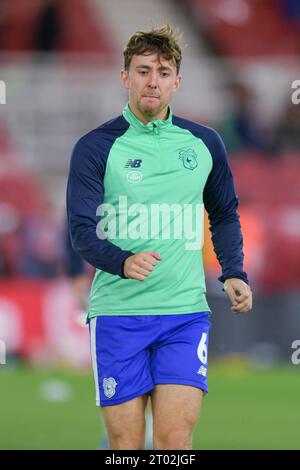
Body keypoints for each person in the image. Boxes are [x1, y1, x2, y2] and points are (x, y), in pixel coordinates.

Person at [67, 24, 252, 450]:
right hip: (118, 317)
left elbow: (224, 214)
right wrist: (121, 260)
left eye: (163, 72)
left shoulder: (205, 143)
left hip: (184, 315)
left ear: (177, 82)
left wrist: (233, 271)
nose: (153, 81)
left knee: (175, 443)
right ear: (125, 77)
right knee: (126, 446)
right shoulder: (95, 147)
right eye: (144, 70)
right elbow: (81, 230)